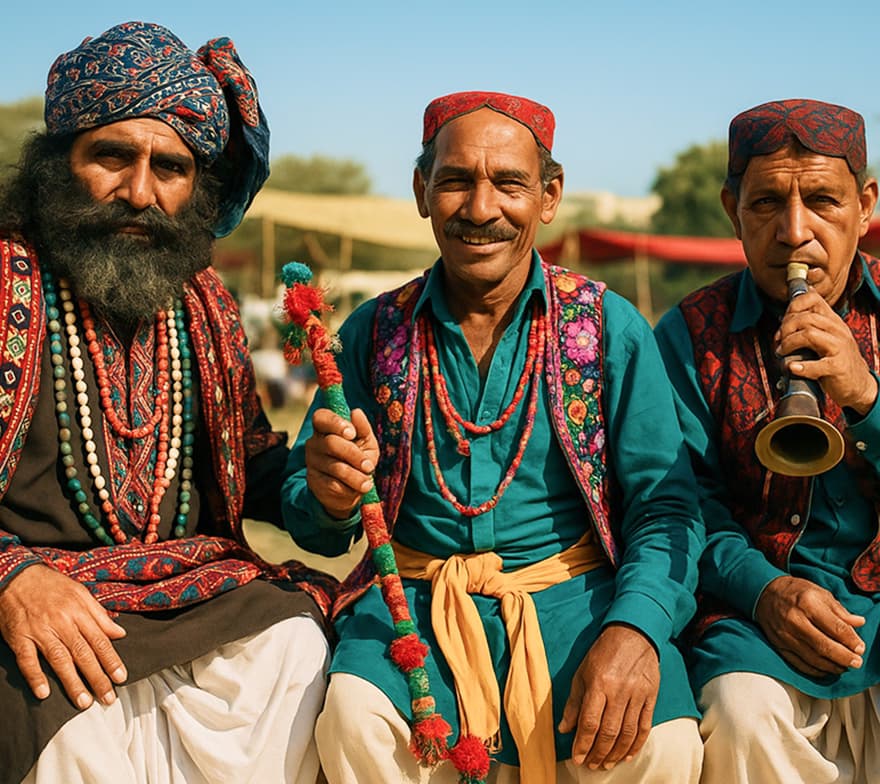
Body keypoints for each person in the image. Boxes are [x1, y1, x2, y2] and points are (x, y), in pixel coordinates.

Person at [282, 91, 705, 783]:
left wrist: (635, 630)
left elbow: (666, 507)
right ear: (422, 191)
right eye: (455, 182)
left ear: (549, 195)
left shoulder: (607, 325)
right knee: (355, 715)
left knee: (664, 746)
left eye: (509, 183)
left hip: (579, 605)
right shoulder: (373, 330)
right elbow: (312, 508)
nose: (481, 210)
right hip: (412, 608)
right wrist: (328, 493)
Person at [0, 21, 336, 784]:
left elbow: (252, 471)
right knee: (61, 717)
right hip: (36, 596)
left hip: (190, 593)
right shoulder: (5, 281)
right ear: (59, 163)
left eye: (171, 168)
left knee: (297, 648)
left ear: (197, 189)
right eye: (112, 156)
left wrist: (320, 484)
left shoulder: (205, 307)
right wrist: (11, 578)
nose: (140, 192)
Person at [654, 99, 880, 784]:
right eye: (766, 205)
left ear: (866, 205)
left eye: (822, 200)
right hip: (753, 622)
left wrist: (866, 398)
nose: (794, 232)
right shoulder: (689, 333)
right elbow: (682, 503)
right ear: (732, 210)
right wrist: (764, 590)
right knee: (740, 707)